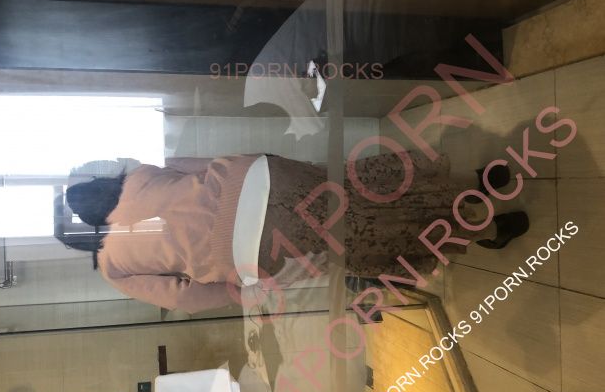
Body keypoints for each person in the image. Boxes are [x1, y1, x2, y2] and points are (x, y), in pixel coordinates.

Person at [55, 152, 529, 313]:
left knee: (366, 238)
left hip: (258, 247)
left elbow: (184, 298)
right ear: (101, 183)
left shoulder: (112, 264)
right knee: (364, 186)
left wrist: (240, 289)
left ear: (89, 226)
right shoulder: (139, 176)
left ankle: (486, 226)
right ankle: (477, 180)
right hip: (266, 177)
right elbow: (203, 164)